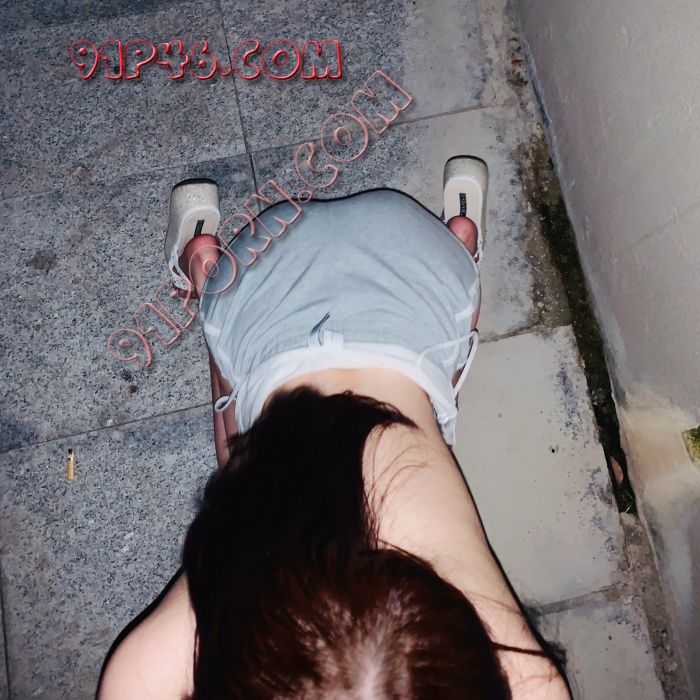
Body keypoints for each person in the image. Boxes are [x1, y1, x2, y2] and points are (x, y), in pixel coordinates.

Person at [97, 161, 571, 699]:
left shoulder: (524, 673)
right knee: (238, 447)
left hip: (408, 253)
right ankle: (205, 263)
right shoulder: (209, 623)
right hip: (264, 271)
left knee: (437, 370)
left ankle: (459, 242)